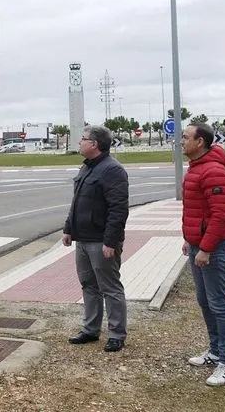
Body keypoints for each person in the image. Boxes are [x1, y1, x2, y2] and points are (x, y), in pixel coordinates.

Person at [62, 125, 130, 352]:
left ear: (95, 145)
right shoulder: (86, 168)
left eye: (83, 139)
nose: (79, 142)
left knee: (110, 287)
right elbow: (77, 202)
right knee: (88, 285)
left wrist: (110, 242)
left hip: (102, 241)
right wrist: (68, 228)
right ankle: (90, 330)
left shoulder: (112, 170)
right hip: (83, 239)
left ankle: (116, 334)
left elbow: (118, 210)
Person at [180, 122, 225, 386]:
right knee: (205, 301)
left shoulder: (213, 171)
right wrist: (190, 241)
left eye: (185, 137)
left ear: (200, 141)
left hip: (212, 249)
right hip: (197, 246)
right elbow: (196, 211)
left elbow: (219, 215)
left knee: (218, 304)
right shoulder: (195, 168)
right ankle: (214, 352)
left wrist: (205, 248)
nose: (181, 141)